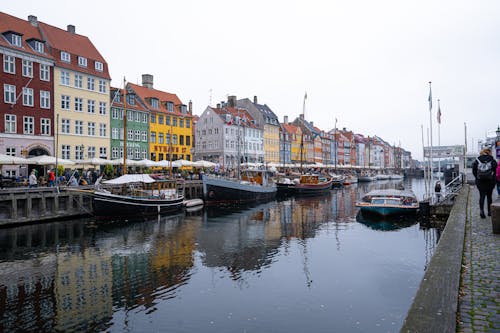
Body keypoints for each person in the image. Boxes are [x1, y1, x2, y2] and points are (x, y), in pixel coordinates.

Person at [472, 148, 497, 218]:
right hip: (490, 181)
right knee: (489, 196)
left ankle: (481, 211)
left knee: (482, 196)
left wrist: (477, 178)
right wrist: (493, 178)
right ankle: (489, 212)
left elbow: (474, 171)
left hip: (480, 182)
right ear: (488, 152)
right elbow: (495, 169)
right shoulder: (492, 159)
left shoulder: (477, 160)